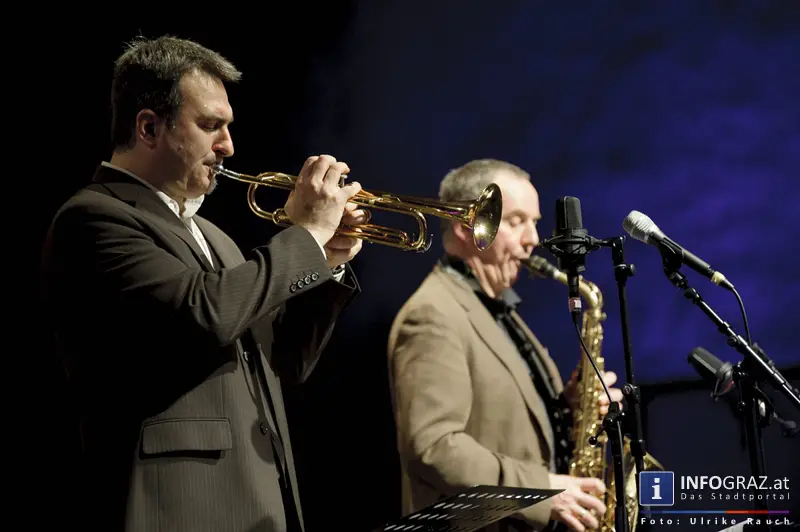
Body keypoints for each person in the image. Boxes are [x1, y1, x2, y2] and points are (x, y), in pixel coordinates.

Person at [40, 36, 367, 532]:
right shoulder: (94, 218)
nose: (228, 146)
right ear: (149, 127)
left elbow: (286, 361)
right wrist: (306, 236)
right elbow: (205, 314)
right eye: (211, 126)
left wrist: (328, 260)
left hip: (259, 501)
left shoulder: (216, 238)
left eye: (228, 127)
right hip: (181, 507)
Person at [386, 159, 625, 532]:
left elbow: (505, 422)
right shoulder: (433, 315)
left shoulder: (496, 310)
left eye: (534, 222)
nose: (533, 239)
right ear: (466, 224)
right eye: (516, 221)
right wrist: (541, 491)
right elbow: (433, 448)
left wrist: (571, 406)